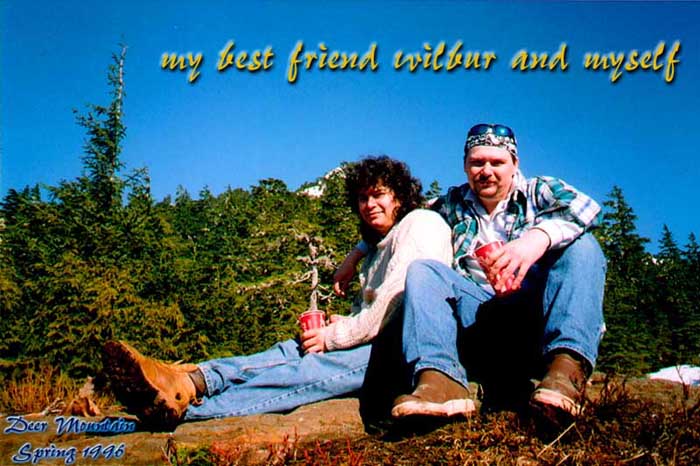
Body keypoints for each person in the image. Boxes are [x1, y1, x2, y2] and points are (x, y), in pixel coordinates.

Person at [102, 155, 453, 431]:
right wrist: (342, 320)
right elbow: (374, 312)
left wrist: (335, 335)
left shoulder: (421, 224)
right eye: (362, 197)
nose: (368, 204)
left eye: (378, 195)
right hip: (382, 342)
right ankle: (192, 381)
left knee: (306, 372)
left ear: (400, 197)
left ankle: (188, 412)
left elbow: (394, 305)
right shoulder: (379, 246)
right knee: (291, 350)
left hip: (406, 352)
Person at [336, 123, 606, 428]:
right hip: (480, 324)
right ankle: (440, 381)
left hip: (535, 321)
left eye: (497, 162)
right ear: (465, 166)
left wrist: (536, 240)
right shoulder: (452, 204)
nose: (487, 171)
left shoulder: (539, 191)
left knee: (583, 246)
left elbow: (588, 209)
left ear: (514, 164)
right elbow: (403, 216)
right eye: (477, 162)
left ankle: (566, 371)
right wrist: (357, 252)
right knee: (424, 271)